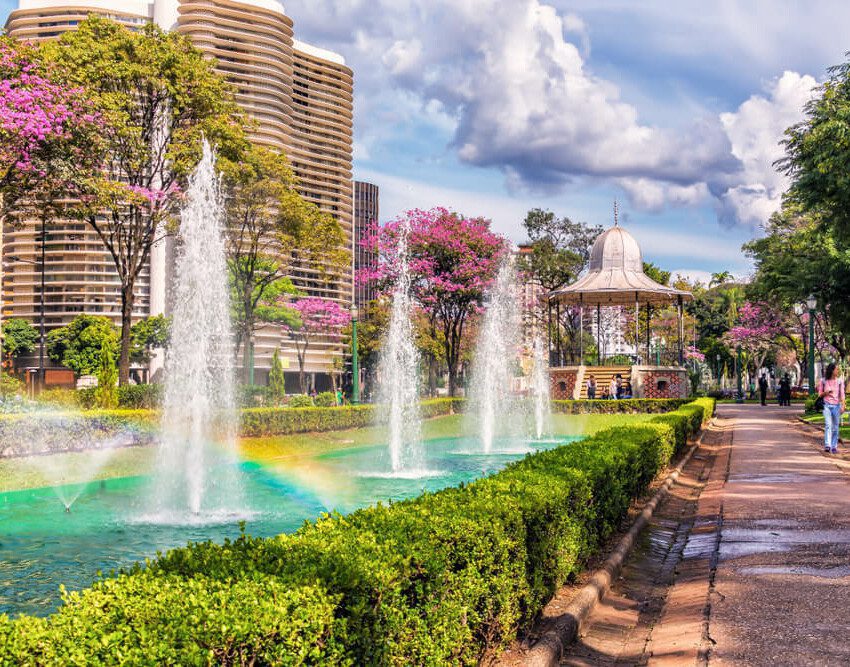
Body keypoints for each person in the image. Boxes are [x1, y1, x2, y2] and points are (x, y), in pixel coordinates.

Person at [818, 363, 845, 453]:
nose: (838, 371)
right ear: (832, 370)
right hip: (826, 405)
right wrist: (825, 393)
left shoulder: (839, 381)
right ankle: (827, 445)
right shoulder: (823, 381)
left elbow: (842, 395)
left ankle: (834, 446)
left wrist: (843, 405)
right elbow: (820, 394)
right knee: (828, 425)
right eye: (836, 369)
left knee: (835, 427)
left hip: (836, 406)